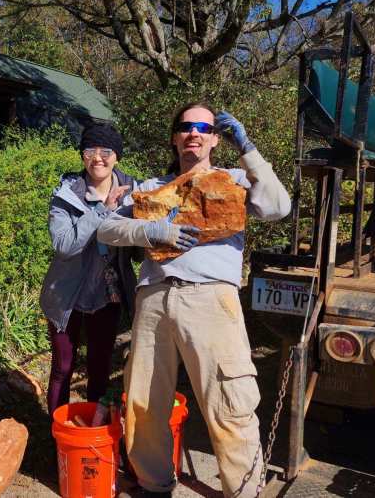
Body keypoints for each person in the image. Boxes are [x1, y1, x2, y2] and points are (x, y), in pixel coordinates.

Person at [98, 103, 291, 498]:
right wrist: (154, 231)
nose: (194, 133)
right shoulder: (151, 187)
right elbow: (107, 229)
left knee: (228, 399)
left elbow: (278, 207)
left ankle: (243, 490)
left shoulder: (236, 177)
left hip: (211, 299)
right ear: (175, 137)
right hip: (153, 301)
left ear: (216, 138)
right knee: (144, 402)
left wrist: (248, 148)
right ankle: (153, 484)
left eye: (204, 127)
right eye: (186, 127)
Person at [39, 124, 139, 415]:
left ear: (116, 156)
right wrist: (101, 210)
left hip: (107, 296)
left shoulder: (133, 192)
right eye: (90, 151)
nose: (98, 158)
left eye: (106, 151)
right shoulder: (66, 194)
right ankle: (57, 435)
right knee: (63, 367)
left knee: (99, 367)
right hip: (66, 296)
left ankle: (93, 433)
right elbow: (65, 246)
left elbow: (138, 252)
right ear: (82, 156)